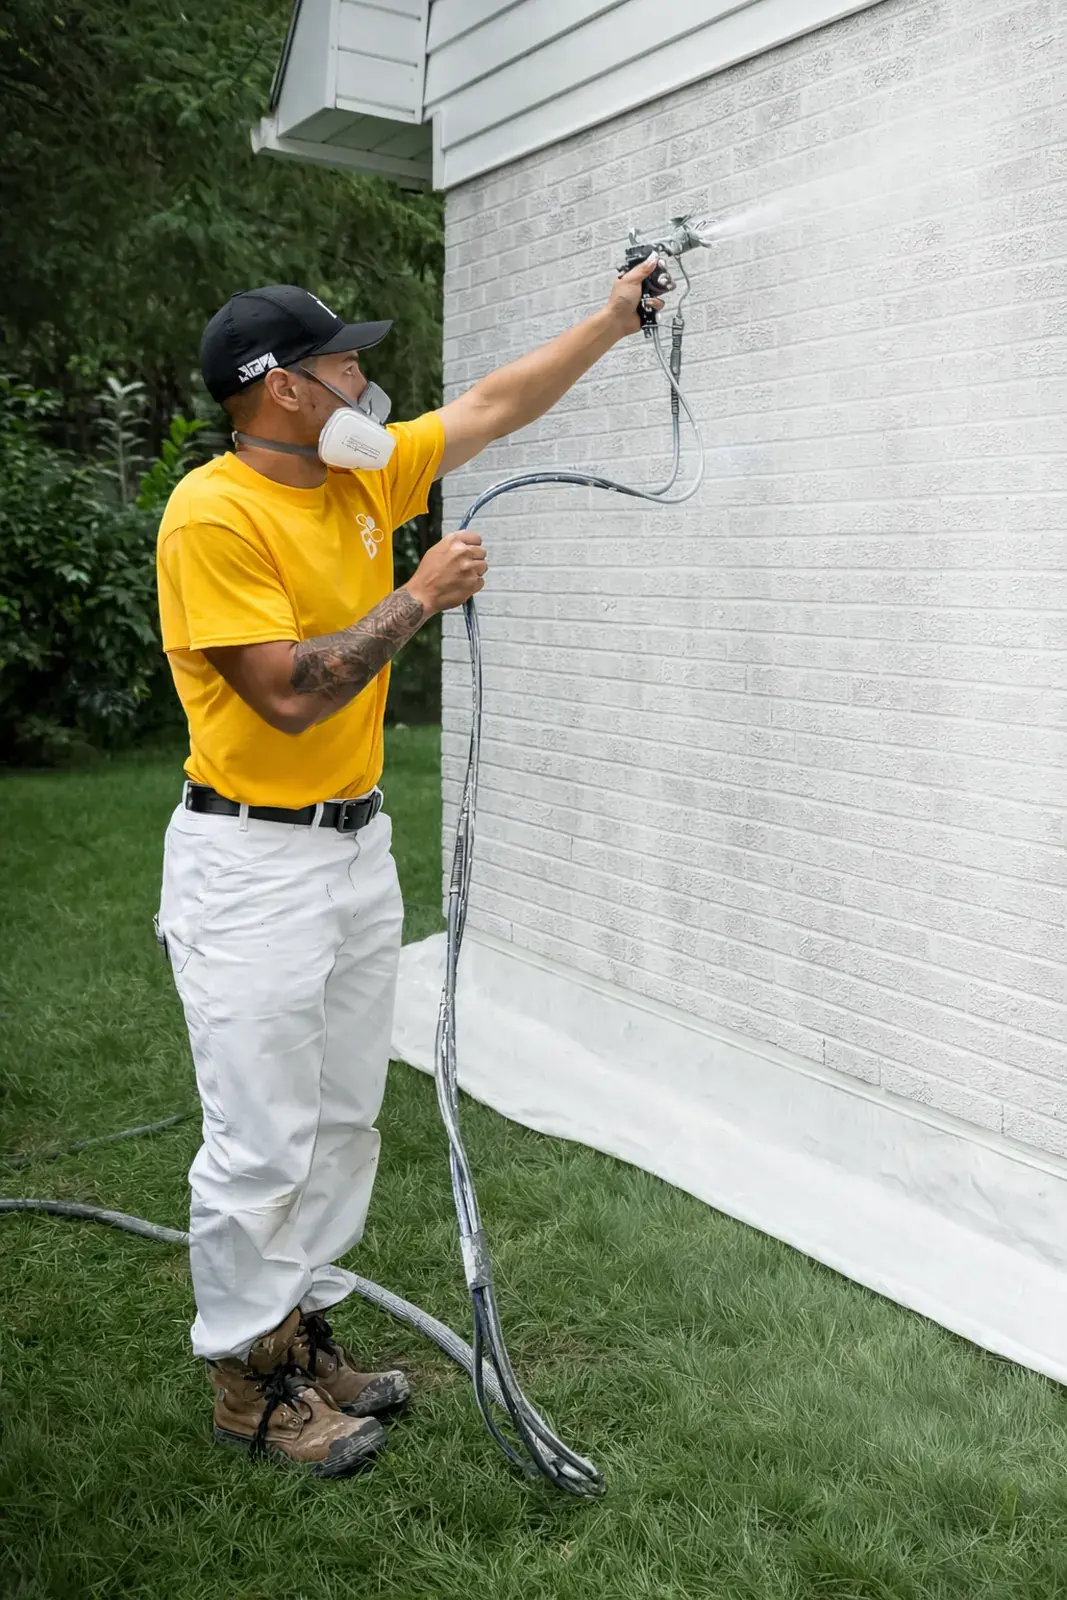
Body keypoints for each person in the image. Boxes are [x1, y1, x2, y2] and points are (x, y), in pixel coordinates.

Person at [155, 256, 662, 1477]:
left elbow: (491, 406)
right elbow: (284, 694)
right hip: (252, 861)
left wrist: (607, 318)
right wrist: (418, 598)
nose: (366, 383)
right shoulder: (212, 514)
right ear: (279, 389)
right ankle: (244, 1379)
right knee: (259, 1136)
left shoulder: (359, 477)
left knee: (340, 1114)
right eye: (344, 366)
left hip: (352, 847)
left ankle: (302, 1334)